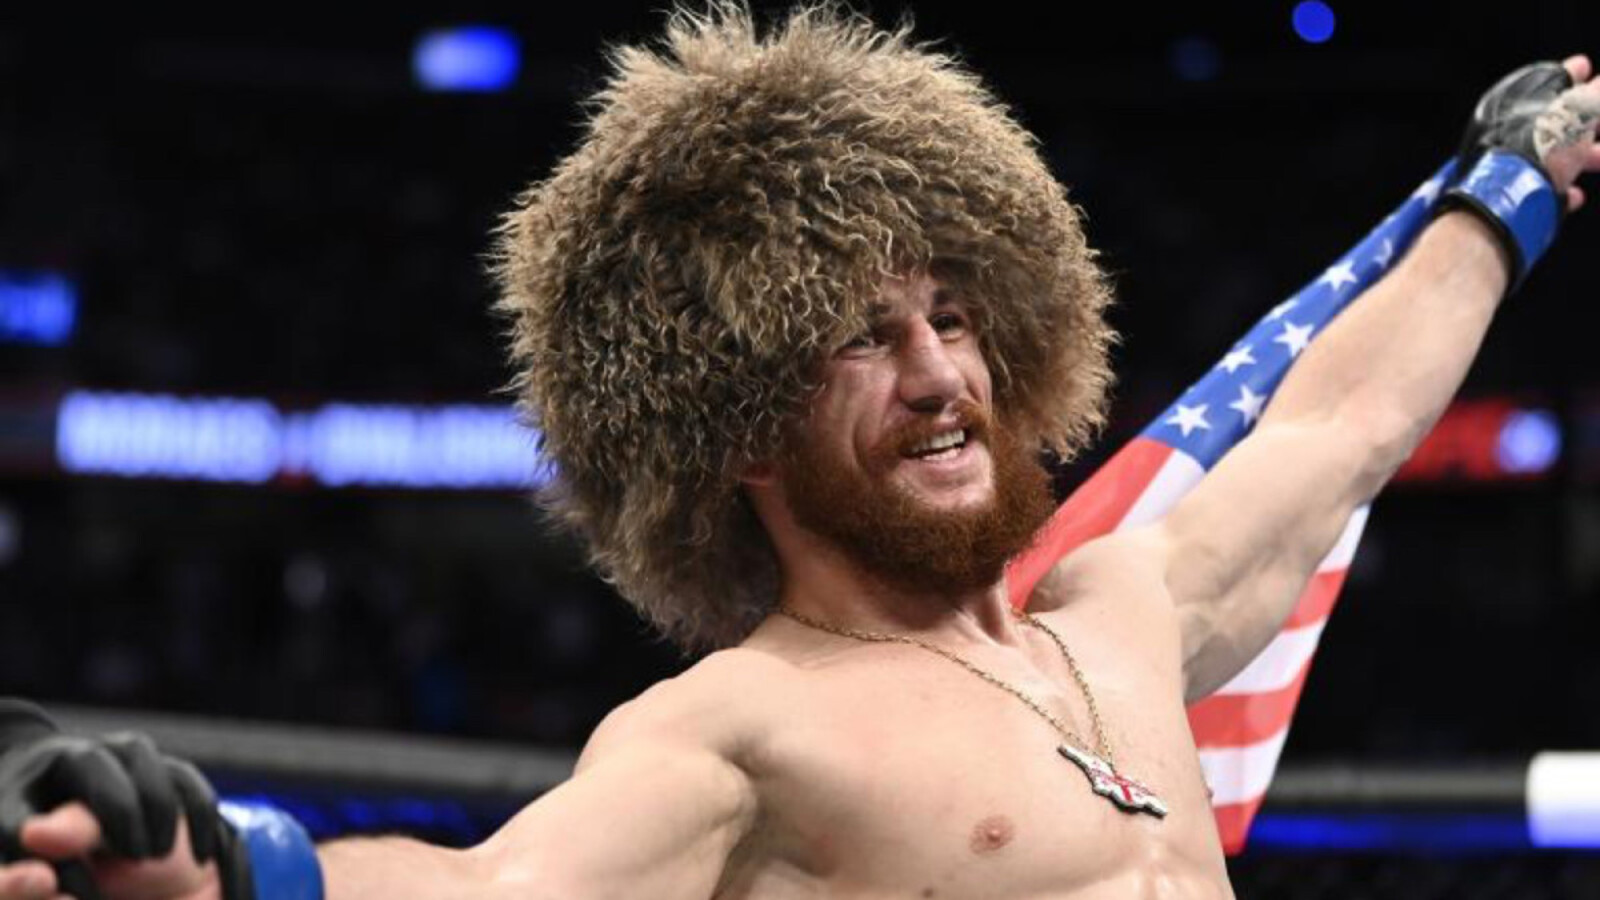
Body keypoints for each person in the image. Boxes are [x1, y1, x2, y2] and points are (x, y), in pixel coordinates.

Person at [1, 6, 1597, 898]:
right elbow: (499, 889)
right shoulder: (747, 726)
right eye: (860, 340)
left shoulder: (1126, 607)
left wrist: (1505, 193)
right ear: (741, 422)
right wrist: (230, 868)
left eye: (952, 319)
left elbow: (1339, 424)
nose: (938, 375)